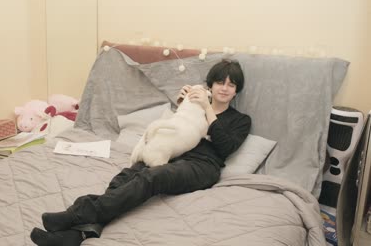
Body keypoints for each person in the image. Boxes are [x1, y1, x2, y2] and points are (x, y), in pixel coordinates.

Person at [30, 59, 252, 246]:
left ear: (236, 90)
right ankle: (79, 234)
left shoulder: (241, 120)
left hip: (203, 166)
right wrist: (183, 105)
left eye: (231, 85)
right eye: (220, 82)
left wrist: (207, 108)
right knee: (126, 176)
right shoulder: (193, 107)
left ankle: (77, 214)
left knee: (153, 177)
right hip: (174, 154)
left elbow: (225, 146)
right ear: (210, 84)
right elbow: (177, 132)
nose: (224, 88)